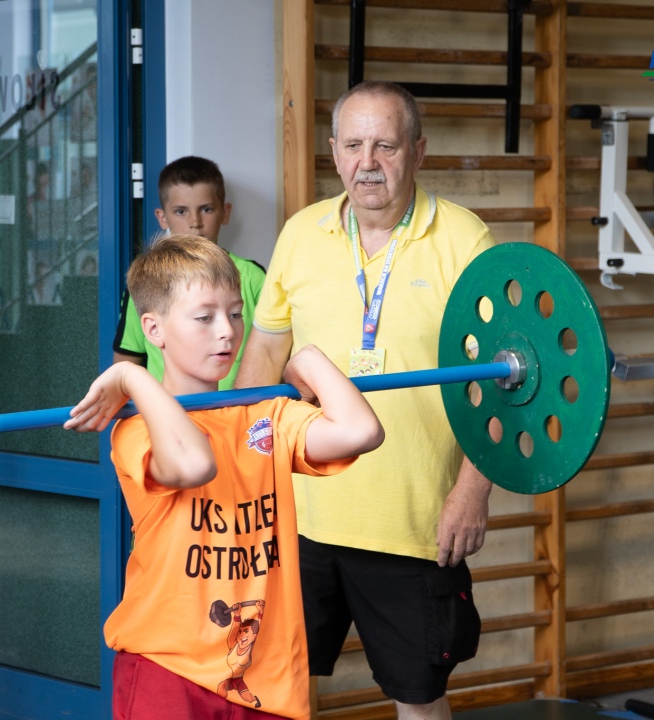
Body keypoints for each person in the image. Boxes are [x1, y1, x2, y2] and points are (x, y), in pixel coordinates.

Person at [235, 80, 494, 720]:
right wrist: (245, 469)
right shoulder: (301, 233)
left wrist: (472, 491)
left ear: (418, 151)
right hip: (300, 517)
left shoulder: (465, 240)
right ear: (333, 151)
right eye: (353, 145)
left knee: (419, 700)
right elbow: (264, 352)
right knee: (272, 690)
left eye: (386, 145)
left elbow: (499, 381)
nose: (368, 162)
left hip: (413, 526)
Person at [65, 235, 384, 720]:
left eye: (235, 314)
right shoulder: (136, 430)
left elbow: (361, 432)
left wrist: (308, 359)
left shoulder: (266, 416)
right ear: (153, 329)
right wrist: (134, 378)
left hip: (264, 677)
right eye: (204, 317)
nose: (227, 332)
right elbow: (194, 465)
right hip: (166, 666)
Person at [113, 156, 265, 389]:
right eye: (181, 211)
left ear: (225, 213)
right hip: (166, 406)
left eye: (206, 209)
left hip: (240, 408)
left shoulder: (253, 276)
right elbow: (126, 364)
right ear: (162, 217)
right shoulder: (147, 282)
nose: (195, 222)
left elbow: (271, 351)